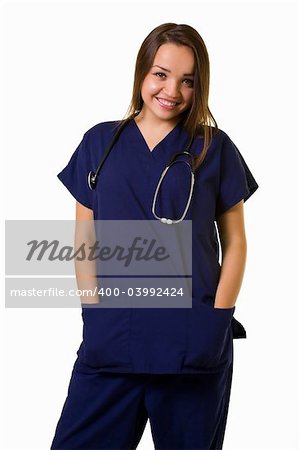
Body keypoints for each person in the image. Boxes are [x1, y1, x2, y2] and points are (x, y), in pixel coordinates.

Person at [50, 22, 259, 450]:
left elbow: (235, 242)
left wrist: (217, 319)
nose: (172, 91)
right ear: (142, 73)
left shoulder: (213, 148)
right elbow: (84, 239)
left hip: (193, 340)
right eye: (161, 74)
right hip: (112, 340)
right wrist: (93, 313)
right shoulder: (100, 142)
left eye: (188, 81)